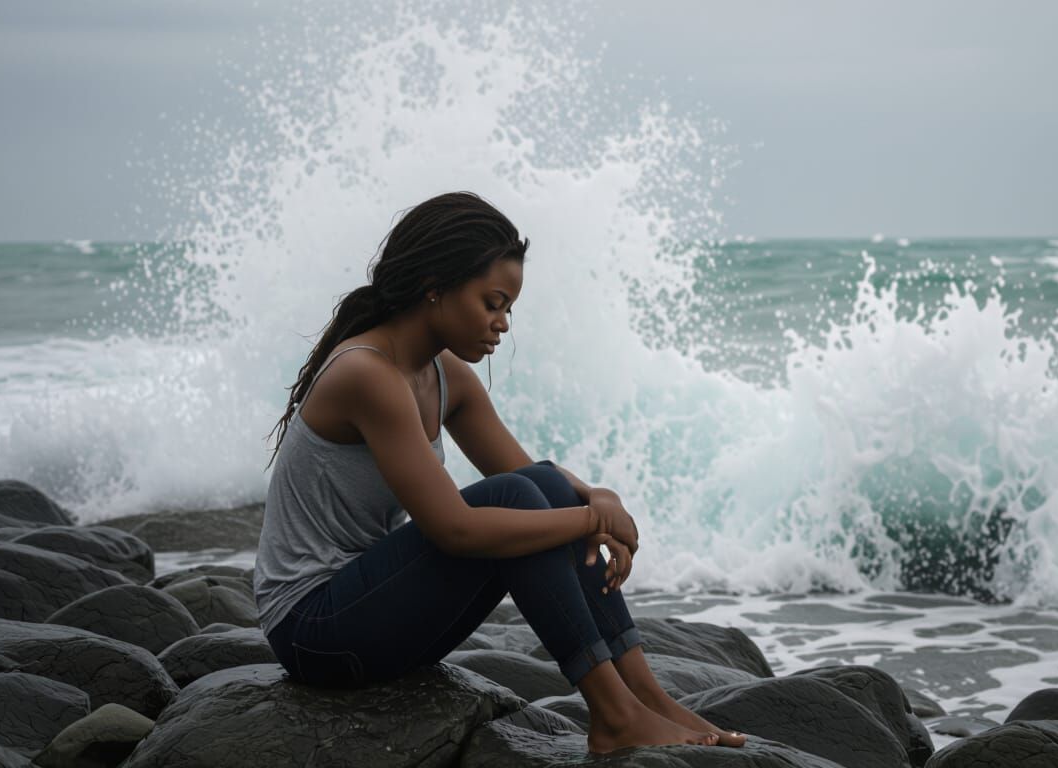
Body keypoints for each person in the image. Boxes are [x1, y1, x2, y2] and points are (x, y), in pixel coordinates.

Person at [254, 192, 745, 754]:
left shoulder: (446, 376)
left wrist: (595, 497)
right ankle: (613, 715)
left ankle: (647, 701)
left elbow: (536, 478)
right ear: (435, 285)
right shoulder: (368, 374)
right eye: (493, 302)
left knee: (545, 489)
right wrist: (588, 521)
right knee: (521, 500)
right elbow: (454, 529)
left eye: (508, 308)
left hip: (370, 617)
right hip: (313, 631)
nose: (503, 323)